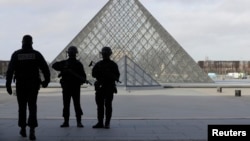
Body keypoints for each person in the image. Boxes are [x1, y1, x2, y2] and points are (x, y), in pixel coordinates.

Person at [5, 34, 50, 140]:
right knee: (32, 107)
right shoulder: (36, 54)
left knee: (22, 107)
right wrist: (46, 81)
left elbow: (10, 70)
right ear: (32, 43)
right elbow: (45, 69)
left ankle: (23, 128)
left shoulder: (16, 54)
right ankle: (32, 130)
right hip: (33, 85)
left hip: (21, 85)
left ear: (22, 42)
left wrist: (8, 84)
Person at [52, 46, 86, 128]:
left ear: (68, 53)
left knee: (66, 105)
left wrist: (64, 68)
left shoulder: (64, 63)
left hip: (67, 87)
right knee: (76, 104)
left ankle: (66, 122)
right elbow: (83, 77)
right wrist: (65, 69)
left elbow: (54, 65)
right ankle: (79, 122)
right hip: (75, 87)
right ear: (76, 53)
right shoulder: (78, 64)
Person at [92, 46, 120, 129]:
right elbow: (94, 74)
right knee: (106, 106)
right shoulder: (113, 64)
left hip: (106, 87)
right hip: (106, 87)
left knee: (102, 106)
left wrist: (108, 75)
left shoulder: (99, 64)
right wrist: (102, 74)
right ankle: (105, 123)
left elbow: (116, 77)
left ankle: (102, 122)